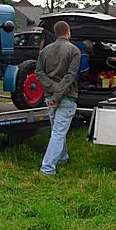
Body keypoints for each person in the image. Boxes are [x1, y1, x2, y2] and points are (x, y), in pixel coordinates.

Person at [35, 20, 80, 176]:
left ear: (56, 33)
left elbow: (39, 72)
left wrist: (53, 91)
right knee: (58, 133)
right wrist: (58, 94)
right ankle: (47, 169)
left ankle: (63, 157)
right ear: (68, 32)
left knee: (57, 130)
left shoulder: (45, 50)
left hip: (50, 97)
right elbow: (70, 76)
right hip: (66, 97)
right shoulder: (74, 50)